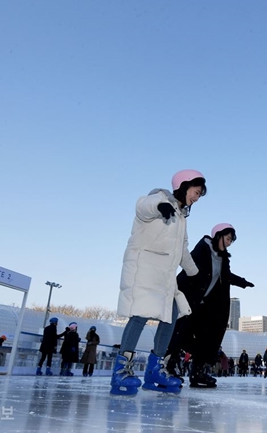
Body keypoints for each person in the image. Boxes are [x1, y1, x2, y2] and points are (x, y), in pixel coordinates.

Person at [111, 170, 206, 396]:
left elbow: (182, 250)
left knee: (171, 316)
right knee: (140, 316)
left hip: (164, 277)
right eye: (196, 191)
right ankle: (121, 369)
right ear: (184, 185)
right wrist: (158, 207)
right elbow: (143, 207)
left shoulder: (181, 217)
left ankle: (155, 370)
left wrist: (196, 273)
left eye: (200, 195)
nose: (197, 197)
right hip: (144, 270)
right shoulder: (159, 199)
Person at [164, 223, 254, 388]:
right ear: (218, 234)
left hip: (203, 304)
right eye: (227, 239)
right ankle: (167, 368)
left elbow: (226, 276)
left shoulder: (222, 259)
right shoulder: (204, 247)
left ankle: (197, 373)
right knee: (179, 332)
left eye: (231, 241)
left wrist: (242, 282)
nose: (228, 243)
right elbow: (188, 262)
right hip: (187, 297)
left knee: (206, 337)